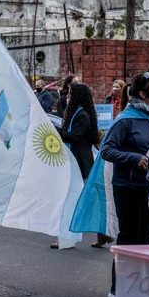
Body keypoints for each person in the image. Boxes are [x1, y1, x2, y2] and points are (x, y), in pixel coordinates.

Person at [101, 72, 149, 297]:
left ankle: (140, 284)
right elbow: (107, 150)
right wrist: (134, 158)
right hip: (127, 187)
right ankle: (118, 287)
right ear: (142, 93)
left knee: (144, 238)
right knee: (128, 236)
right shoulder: (125, 119)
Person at [50, 83, 108, 249]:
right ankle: (101, 232)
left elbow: (74, 137)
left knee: (71, 201)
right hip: (75, 161)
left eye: (69, 94)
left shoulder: (82, 116)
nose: (67, 96)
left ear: (77, 97)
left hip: (79, 162)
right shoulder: (76, 114)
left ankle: (67, 238)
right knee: (81, 200)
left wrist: (55, 131)